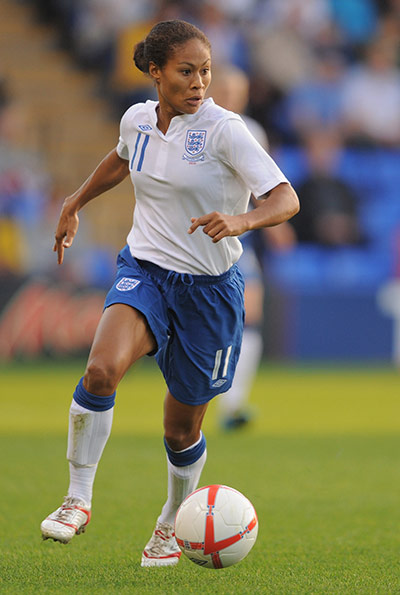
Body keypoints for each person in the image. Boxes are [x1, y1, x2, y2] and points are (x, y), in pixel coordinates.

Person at [40, 20, 299, 567]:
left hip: (210, 291)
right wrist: (76, 202)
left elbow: (285, 198)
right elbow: (121, 158)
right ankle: (76, 499)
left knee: (180, 430)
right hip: (147, 271)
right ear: (155, 72)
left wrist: (241, 220)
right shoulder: (137, 119)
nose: (200, 82)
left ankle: (169, 525)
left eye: (205, 70)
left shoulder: (226, 130)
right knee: (99, 372)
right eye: (187, 71)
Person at [207, 65, 296, 429]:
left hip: (240, 242)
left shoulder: (250, 130)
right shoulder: (198, 125)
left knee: (249, 317)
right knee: (210, 324)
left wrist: (277, 227)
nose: (230, 96)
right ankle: (201, 397)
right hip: (201, 240)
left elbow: (264, 184)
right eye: (223, 89)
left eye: (236, 91)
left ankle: (233, 404)